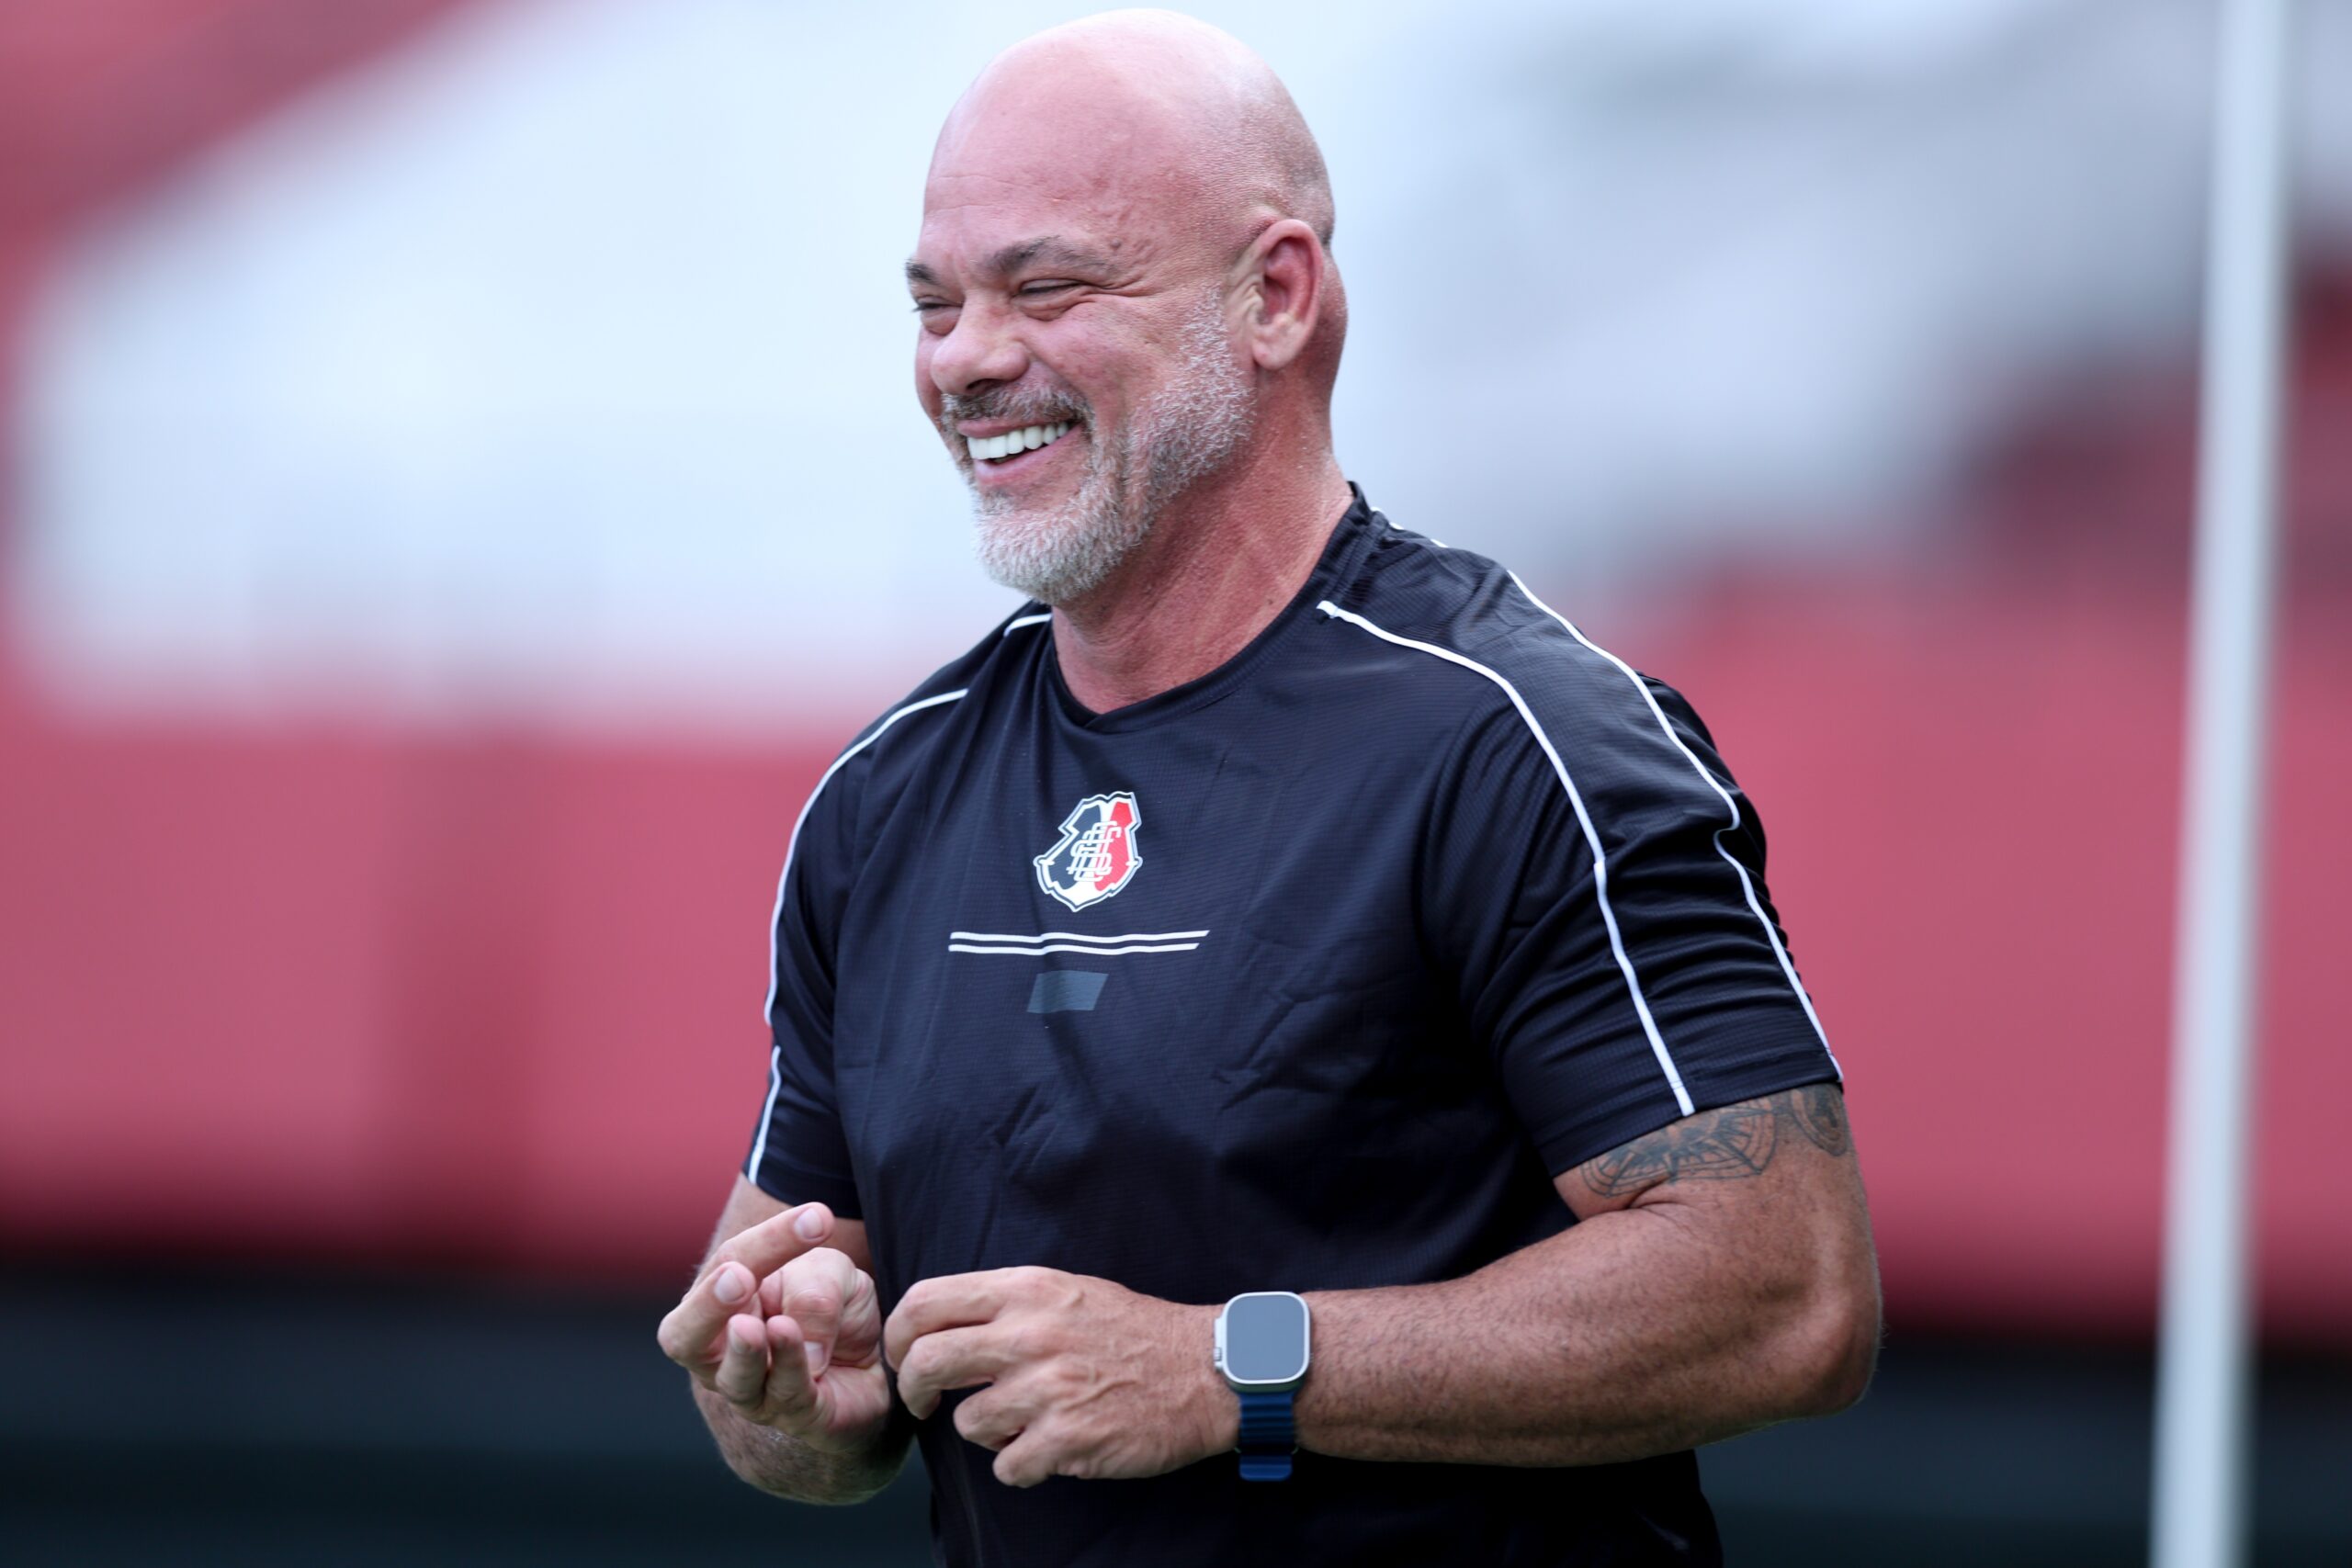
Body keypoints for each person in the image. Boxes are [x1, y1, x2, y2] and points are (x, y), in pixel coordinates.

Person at [655, 10, 1880, 1564]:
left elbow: (1788, 1295)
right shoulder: (884, 797)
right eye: (935, 304)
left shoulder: (1521, 741)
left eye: (1047, 287)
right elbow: (792, 1397)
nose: (965, 358)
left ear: (1276, 297)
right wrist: (797, 1387)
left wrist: (1227, 1371)